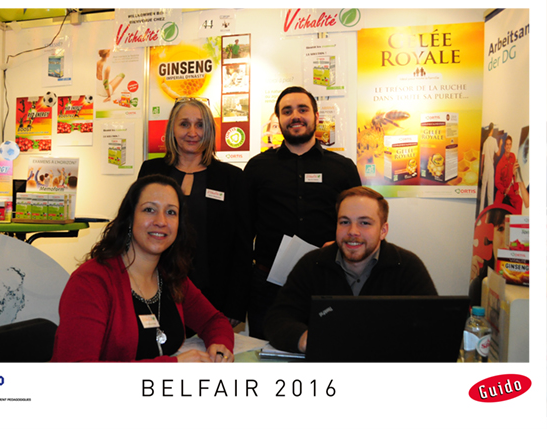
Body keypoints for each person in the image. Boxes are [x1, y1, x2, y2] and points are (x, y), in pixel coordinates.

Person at [51, 174, 235, 362]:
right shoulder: (90, 282)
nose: (161, 221)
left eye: (171, 212)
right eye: (149, 210)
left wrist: (219, 345)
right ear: (129, 218)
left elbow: (214, 321)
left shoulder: (172, 277)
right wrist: (174, 365)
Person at [244, 86, 361, 339]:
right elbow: (243, 230)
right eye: (287, 111)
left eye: (302, 109)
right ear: (278, 119)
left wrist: (340, 244)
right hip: (267, 286)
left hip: (327, 281)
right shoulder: (257, 167)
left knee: (329, 348)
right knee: (266, 352)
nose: (295, 116)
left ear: (316, 116)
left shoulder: (342, 168)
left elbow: (358, 224)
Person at [264, 186, 438, 353]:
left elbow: (433, 326)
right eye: (345, 222)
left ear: (383, 230)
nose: (352, 231)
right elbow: (278, 318)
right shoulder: (312, 264)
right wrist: (304, 339)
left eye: (364, 223)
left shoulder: (407, 266)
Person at [138, 99, 251, 328]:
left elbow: (242, 244)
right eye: (184, 124)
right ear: (172, 128)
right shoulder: (151, 170)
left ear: (209, 130)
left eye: (200, 125)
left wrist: (236, 303)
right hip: (155, 287)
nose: (192, 132)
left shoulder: (232, 177)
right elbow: (136, 228)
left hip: (213, 292)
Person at [494, 136, 522, 214]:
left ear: (511, 145)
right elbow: (497, 182)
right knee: (496, 206)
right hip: (502, 189)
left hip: (511, 188)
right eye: (507, 144)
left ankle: (517, 220)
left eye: (510, 144)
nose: (508, 146)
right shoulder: (500, 164)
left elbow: (515, 174)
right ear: (504, 146)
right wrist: (503, 189)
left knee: (519, 201)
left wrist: (516, 188)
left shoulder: (513, 156)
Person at [478, 123, 501, 214]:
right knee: (490, 191)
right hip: (490, 167)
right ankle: (490, 212)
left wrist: (481, 171)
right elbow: (498, 153)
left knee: (483, 190)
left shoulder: (485, 142)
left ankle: (481, 211)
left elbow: (482, 158)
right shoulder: (494, 141)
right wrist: (500, 144)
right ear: (492, 130)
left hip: (485, 167)